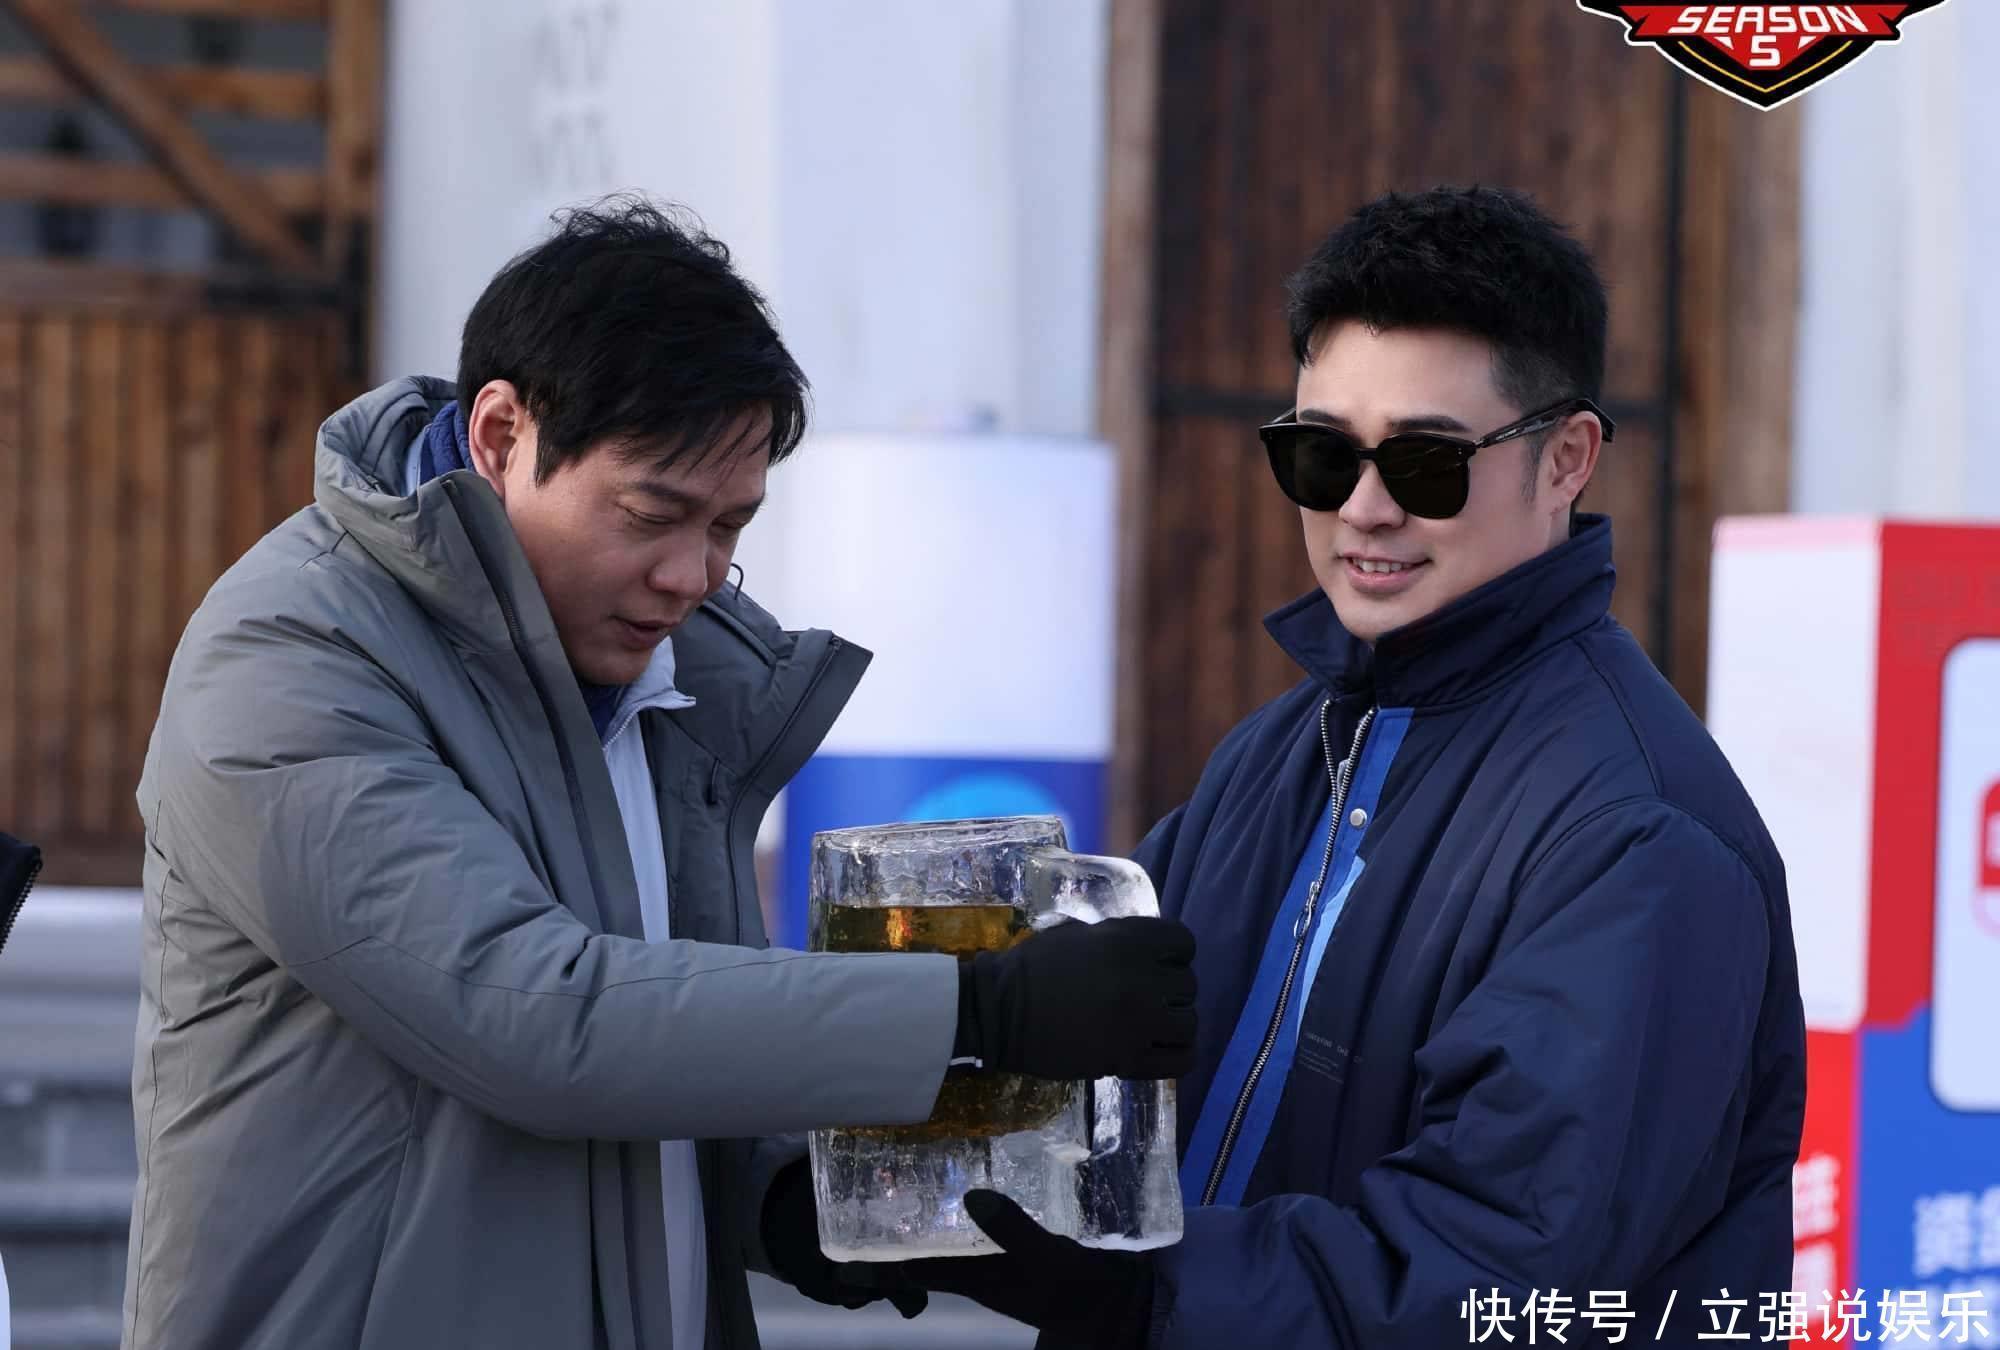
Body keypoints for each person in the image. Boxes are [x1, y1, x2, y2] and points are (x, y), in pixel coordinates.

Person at [122, 196, 1198, 1350]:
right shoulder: (293, 655)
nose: (691, 575)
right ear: (500, 436)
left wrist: (782, 1203)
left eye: (730, 526)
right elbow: (533, 1013)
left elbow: (662, 1031)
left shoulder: (666, 686)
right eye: (653, 513)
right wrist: (973, 1010)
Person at [911, 185, 1805, 1348]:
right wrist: (873, 1150)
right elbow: (1087, 1065)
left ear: (1564, 459)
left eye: (1426, 462)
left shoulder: (1637, 835)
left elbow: (1496, 1270)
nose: (1364, 509)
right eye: (1320, 454)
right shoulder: (1280, 753)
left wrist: (1146, 1293)